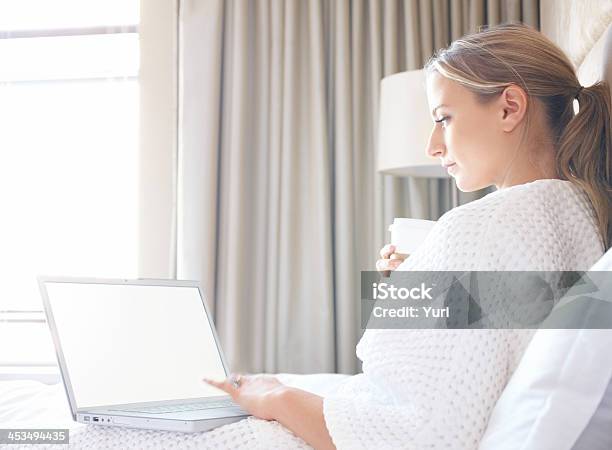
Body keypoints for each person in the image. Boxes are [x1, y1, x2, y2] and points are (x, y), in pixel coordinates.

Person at [72, 22, 610, 450]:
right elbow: (490, 342)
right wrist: (422, 286)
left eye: (443, 118)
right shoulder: (582, 213)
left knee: (81, 433)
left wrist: (279, 396)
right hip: (356, 413)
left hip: (349, 430)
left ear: (510, 107)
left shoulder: (483, 226)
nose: (431, 145)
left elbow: (424, 436)